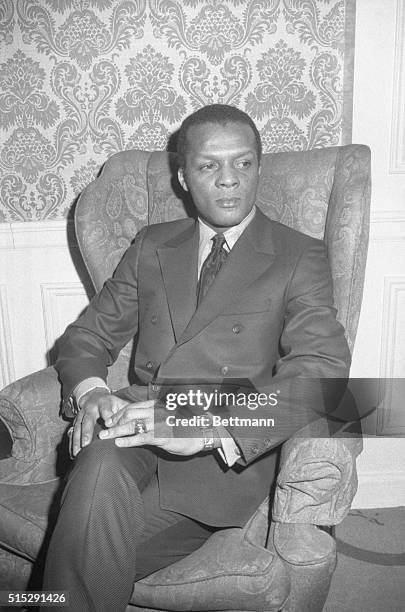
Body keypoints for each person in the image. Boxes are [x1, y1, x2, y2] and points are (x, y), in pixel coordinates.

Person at [42, 104, 350, 611]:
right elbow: (87, 336)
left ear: (258, 167)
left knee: (70, 567)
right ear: (183, 177)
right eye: (209, 166)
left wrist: (207, 427)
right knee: (100, 454)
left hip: (222, 452)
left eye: (244, 163)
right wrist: (93, 391)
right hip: (140, 418)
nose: (230, 181)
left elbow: (321, 373)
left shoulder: (300, 254)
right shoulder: (152, 245)